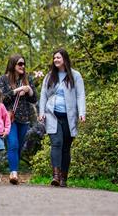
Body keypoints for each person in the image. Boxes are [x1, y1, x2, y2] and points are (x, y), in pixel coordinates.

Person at [38, 48, 86, 187]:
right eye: (54, 58)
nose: (56, 60)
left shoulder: (75, 76)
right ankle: (56, 176)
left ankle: (64, 178)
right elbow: (43, 95)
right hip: (52, 115)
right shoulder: (49, 76)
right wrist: (41, 112)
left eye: (58, 58)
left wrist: (82, 113)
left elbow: (80, 95)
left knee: (66, 147)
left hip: (69, 116)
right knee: (56, 143)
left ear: (65, 59)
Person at [0, 54, 37, 185]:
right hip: (9, 118)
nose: (23, 66)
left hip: (24, 118)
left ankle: (15, 169)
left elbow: (34, 99)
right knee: (13, 144)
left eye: (24, 64)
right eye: (20, 64)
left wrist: (29, 90)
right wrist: (17, 90)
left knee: (19, 146)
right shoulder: (2, 80)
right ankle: (13, 173)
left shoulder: (27, 79)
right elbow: (0, 99)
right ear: (12, 64)